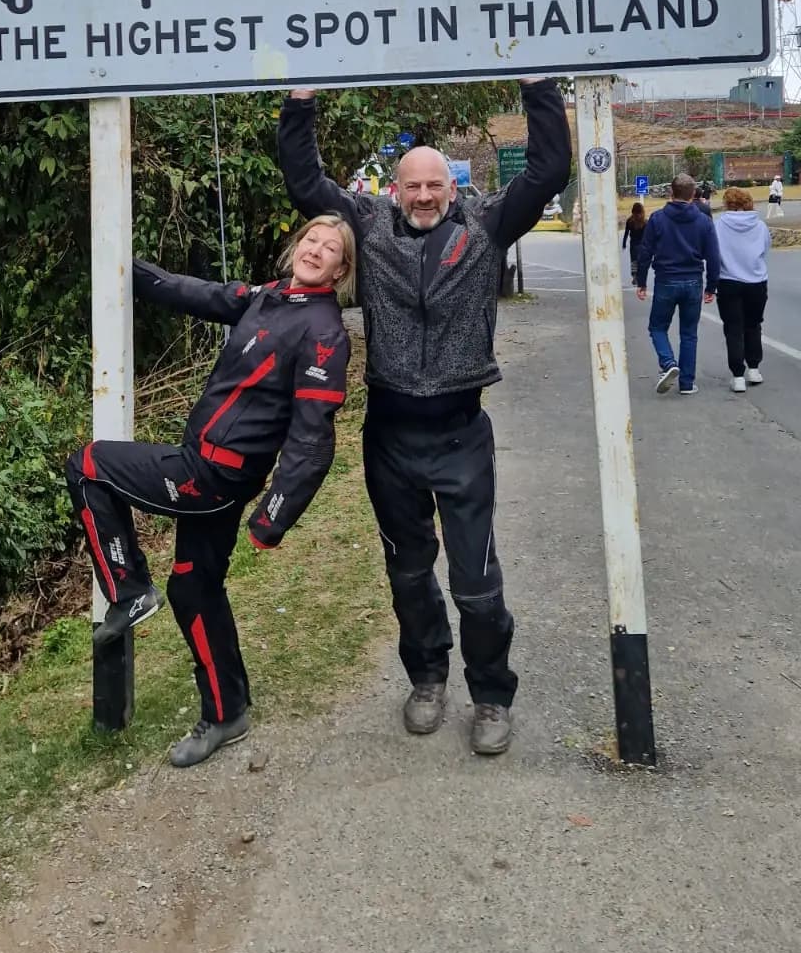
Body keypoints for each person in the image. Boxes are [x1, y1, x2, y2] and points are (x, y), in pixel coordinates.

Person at [278, 79, 571, 757]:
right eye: (411, 186)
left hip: (462, 433)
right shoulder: (367, 225)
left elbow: (549, 169)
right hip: (389, 434)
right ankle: (428, 679)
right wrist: (300, 102)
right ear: (394, 190)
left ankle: (492, 693)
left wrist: (536, 87)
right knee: (408, 573)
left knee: (477, 579)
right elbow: (303, 182)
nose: (423, 197)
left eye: (434, 185)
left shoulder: (488, 225)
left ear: (451, 187)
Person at [65, 215, 355, 768]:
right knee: (195, 590)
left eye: (330, 248)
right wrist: (123, 264)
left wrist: (274, 515)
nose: (316, 250)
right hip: (210, 471)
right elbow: (194, 292)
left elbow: (313, 440)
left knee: (87, 465)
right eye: (311, 239)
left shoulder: (323, 331)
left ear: (341, 270)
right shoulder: (269, 297)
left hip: (212, 476)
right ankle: (226, 712)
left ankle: (127, 591)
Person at [634, 173, 720, 396]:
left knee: (657, 326)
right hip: (693, 281)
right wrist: (711, 286)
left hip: (666, 280)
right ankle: (687, 383)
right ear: (693, 195)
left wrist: (641, 281)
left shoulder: (657, 219)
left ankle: (668, 362)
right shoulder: (703, 221)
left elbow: (646, 252)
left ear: (671, 193)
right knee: (689, 333)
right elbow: (713, 255)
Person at [714, 188, 771, 393]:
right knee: (753, 325)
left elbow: (713, 252)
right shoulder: (760, 226)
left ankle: (737, 375)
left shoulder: (718, 225)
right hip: (756, 281)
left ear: (727, 204)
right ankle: (754, 368)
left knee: (733, 328)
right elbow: (765, 249)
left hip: (728, 280)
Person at [622, 200, 647, 279]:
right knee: (641, 261)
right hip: (643, 245)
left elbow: (626, 233)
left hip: (633, 244)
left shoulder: (629, 221)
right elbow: (648, 235)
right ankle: (640, 275)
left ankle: (634, 275)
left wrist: (624, 243)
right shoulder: (645, 222)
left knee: (633, 260)